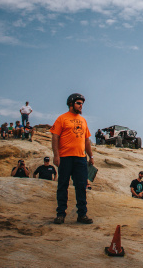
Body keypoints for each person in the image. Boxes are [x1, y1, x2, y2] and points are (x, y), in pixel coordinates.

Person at [50, 92, 94, 225]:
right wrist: (56, 155)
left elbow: (87, 140)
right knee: (63, 185)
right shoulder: (62, 119)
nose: (81, 106)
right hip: (65, 157)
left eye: (82, 104)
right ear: (71, 104)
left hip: (80, 158)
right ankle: (60, 214)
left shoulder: (83, 120)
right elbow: (55, 137)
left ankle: (82, 214)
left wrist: (91, 156)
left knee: (81, 186)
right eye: (78, 103)